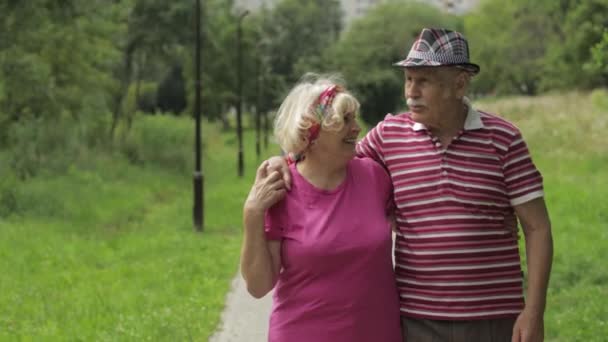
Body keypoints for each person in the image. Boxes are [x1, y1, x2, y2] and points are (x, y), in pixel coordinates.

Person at [269, 28, 553, 342]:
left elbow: (538, 228)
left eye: (424, 81)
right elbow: (328, 154)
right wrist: (286, 160)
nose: (411, 92)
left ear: (459, 84)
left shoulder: (504, 139)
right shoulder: (389, 135)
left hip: (495, 320)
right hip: (418, 322)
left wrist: (534, 311)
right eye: (408, 79)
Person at [240, 75, 402, 342]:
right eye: (345, 120)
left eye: (354, 118)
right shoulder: (281, 189)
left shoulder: (375, 177)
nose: (357, 128)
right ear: (311, 131)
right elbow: (258, 286)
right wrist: (252, 214)